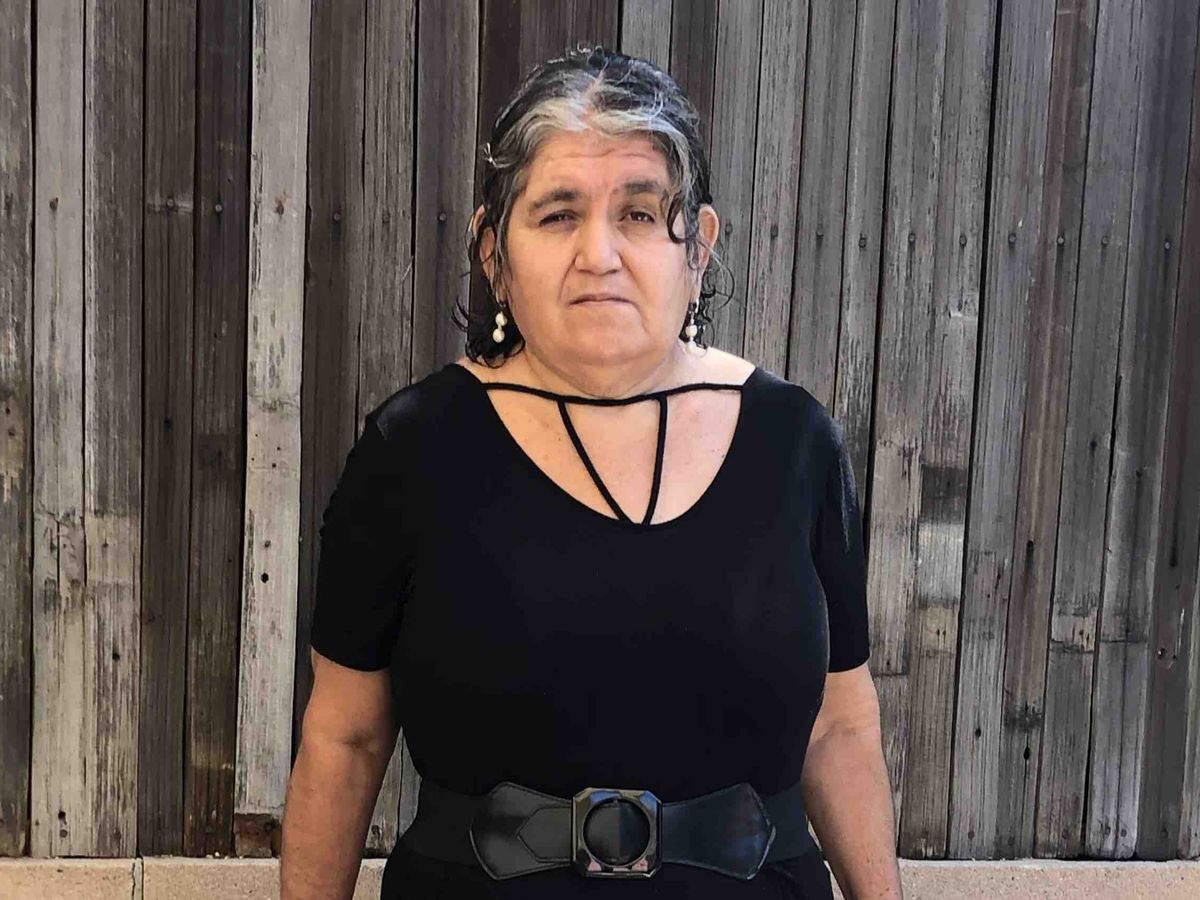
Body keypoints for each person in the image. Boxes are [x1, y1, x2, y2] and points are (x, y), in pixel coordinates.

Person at [281, 45, 902, 900]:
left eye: (640, 213)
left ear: (699, 249)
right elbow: (345, 740)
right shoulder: (412, 451)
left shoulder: (795, 444)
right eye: (558, 215)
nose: (599, 253)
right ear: (494, 252)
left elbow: (840, 727)